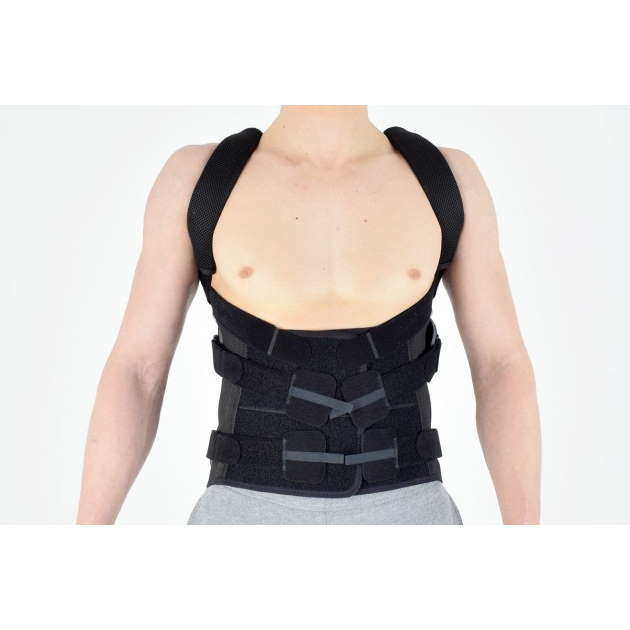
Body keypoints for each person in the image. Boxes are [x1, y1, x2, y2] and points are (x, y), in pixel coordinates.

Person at [77, 106, 541, 525]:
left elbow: (501, 365)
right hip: (242, 516)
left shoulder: (446, 179)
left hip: (412, 512)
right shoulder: (200, 179)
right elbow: (138, 370)